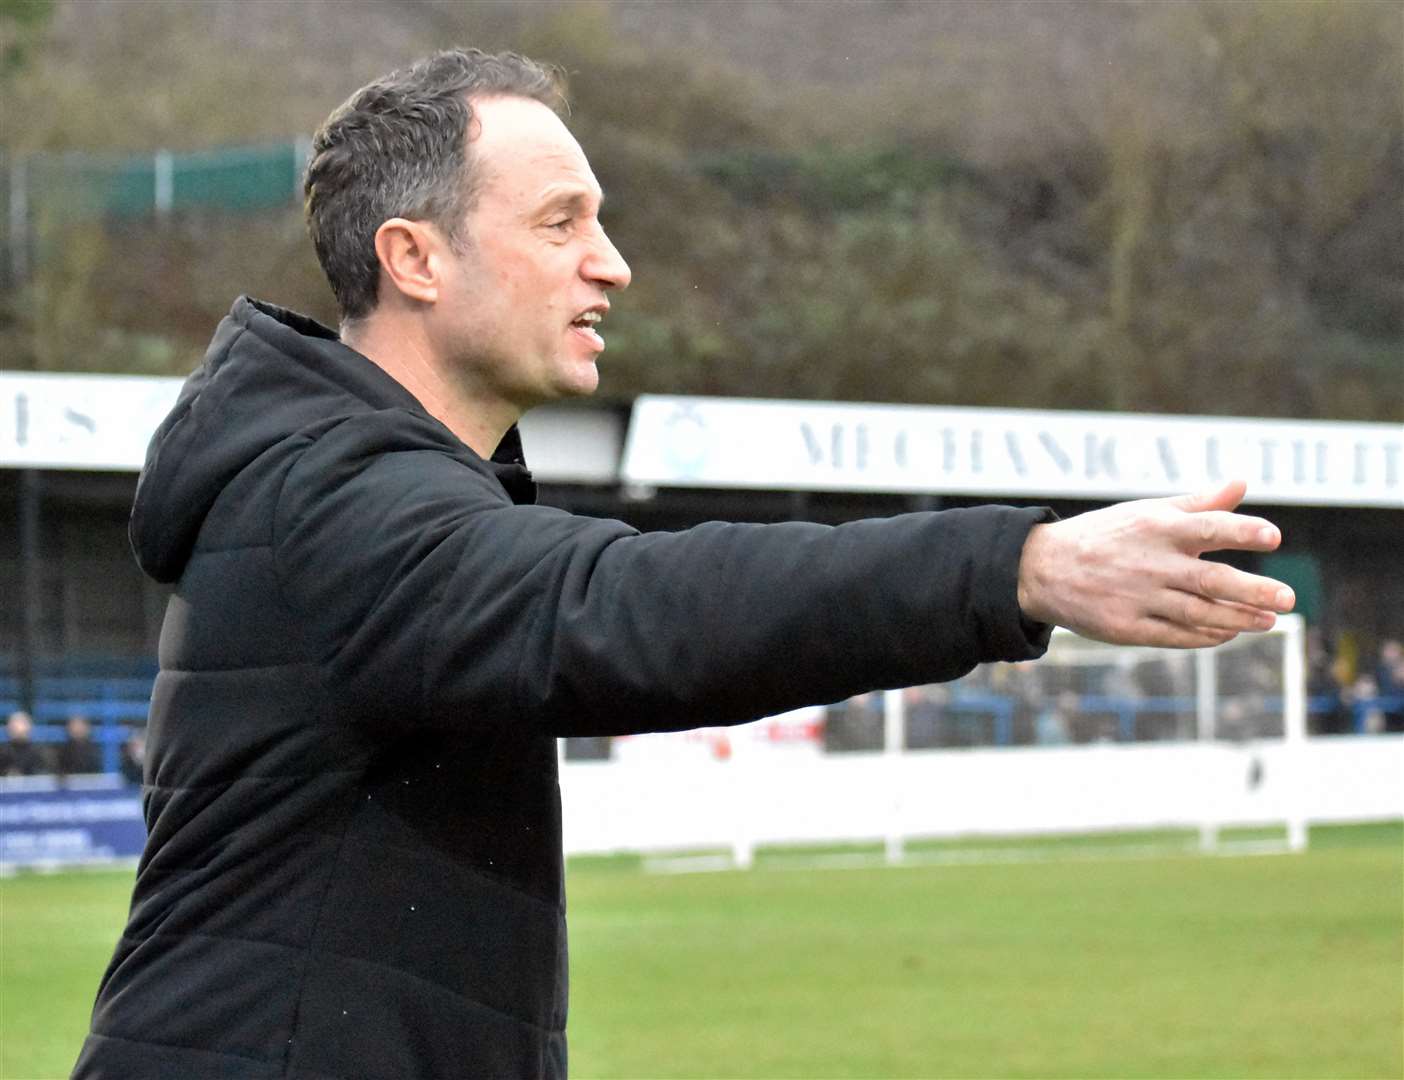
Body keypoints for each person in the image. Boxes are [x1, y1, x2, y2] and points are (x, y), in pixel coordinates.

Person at [73, 48, 1295, 1079]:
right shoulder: (328, 496)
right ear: (416, 259)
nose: (612, 264)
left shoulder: (355, 481)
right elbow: (613, 605)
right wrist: (1015, 568)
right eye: (562, 223)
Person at [54, 713, 104, 779]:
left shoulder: (95, 750)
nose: (77, 728)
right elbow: (61, 770)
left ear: (87, 727)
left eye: (80, 725)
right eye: (74, 725)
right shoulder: (64, 750)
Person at [0, 710, 48, 777]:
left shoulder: (39, 751)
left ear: (29, 726)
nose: (16, 727)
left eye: (20, 723)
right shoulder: (2, 751)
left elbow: (44, 774)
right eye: (12, 724)